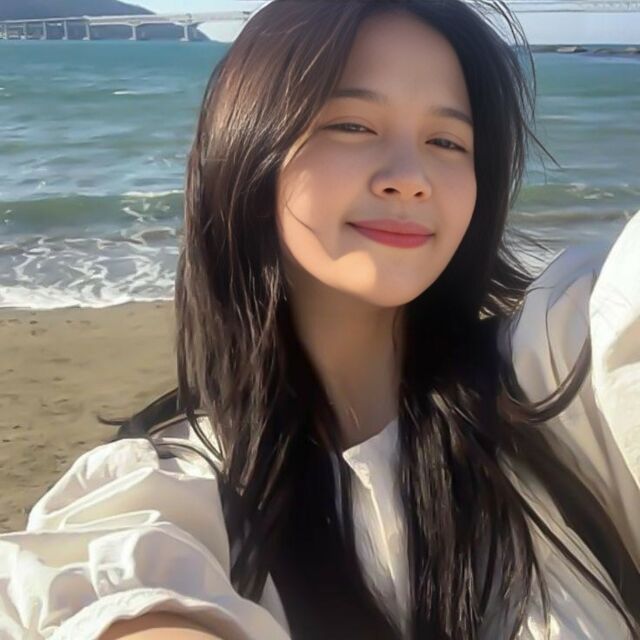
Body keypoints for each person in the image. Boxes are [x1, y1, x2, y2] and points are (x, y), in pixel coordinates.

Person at [0, 1, 638, 638]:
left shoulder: (557, 379)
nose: (410, 179)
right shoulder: (172, 489)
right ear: (248, 148)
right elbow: (126, 597)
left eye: (447, 141)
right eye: (353, 125)